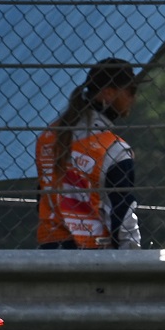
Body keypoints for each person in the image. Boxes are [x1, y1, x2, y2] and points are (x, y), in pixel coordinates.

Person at [35, 57, 144, 250]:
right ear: (109, 94)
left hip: (49, 251)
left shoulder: (48, 137)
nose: (134, 98)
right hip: (94, 255)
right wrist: (133, 261)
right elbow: (122, 215)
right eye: (131, 91)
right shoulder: (115, 150)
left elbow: (41, 197)